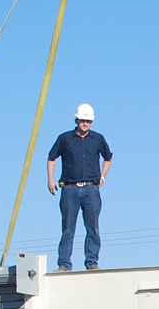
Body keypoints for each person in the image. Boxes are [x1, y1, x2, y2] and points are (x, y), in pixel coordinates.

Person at [45, 103, 113, 271]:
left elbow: (108, 157)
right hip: (69, 189)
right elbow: (52, 157)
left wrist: (102, 176)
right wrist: (50, 180)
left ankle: (92, 262)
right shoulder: (65, 138)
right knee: (68, 228)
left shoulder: (98, 139)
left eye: (88, 121)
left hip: (91, 189)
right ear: (76, 119)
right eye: (83, 120)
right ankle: (64, 264)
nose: (85, 124)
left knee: (93, 228)